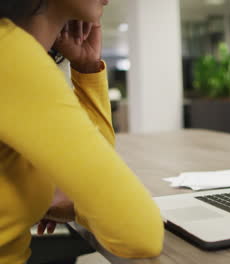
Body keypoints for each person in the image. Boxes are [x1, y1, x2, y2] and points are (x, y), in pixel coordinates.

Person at [0, 1, 164, 263]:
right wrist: (76, 206)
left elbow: (94, 173)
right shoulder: (10, 55)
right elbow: (140, 234)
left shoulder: (16, 51)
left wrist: (87, 68)